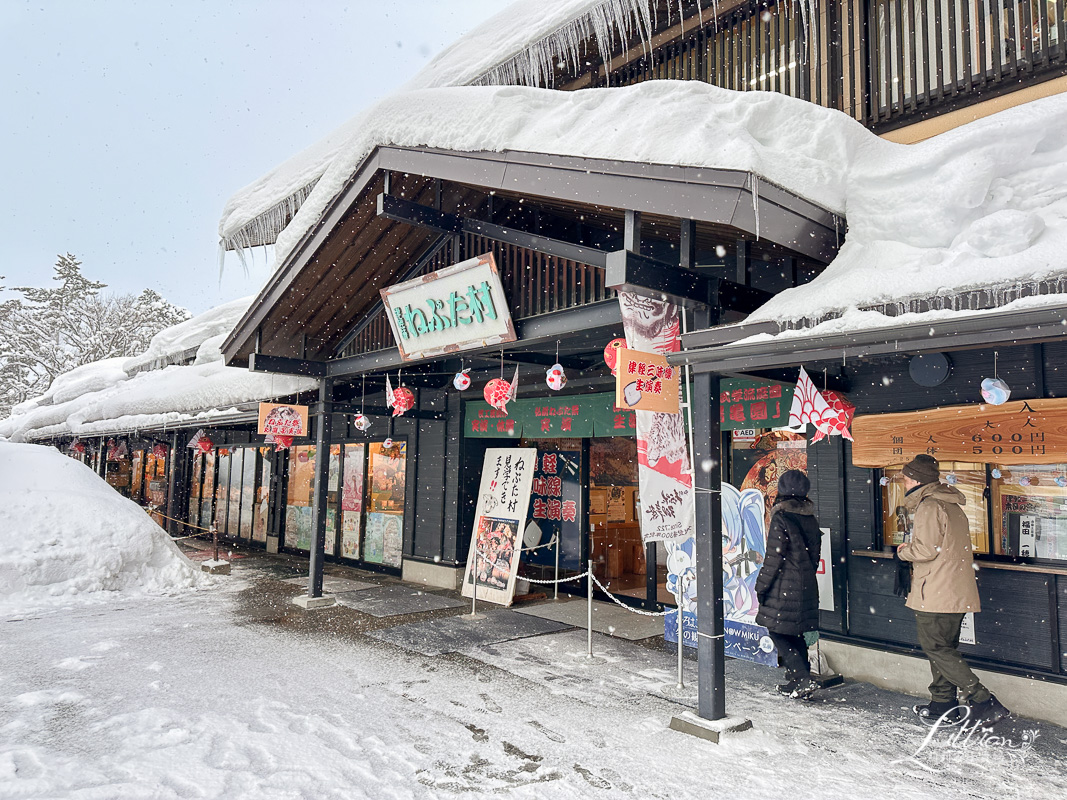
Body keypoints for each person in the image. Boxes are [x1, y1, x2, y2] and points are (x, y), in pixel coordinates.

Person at [897, 453, 1009, 727]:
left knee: (935, 647)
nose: (904, 483)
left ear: (917, 481)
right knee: (944, 648)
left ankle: (983, 700)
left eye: (907, 478)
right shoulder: (951, 505)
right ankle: (942, 705)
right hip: (954, 590)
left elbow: (926, 549)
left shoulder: (929, 506)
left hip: (936, 589)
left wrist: (902, 552)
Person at [755, 469, 823, 699]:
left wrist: (761, 586)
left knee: (779, 632)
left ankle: (802, 678)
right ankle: (798, 681)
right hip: (806, 586)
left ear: (782, 492)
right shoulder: (810, 519)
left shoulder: (781, 518)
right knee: (795, 633)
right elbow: (814, 558)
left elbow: (773, 559)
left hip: (783, 587)